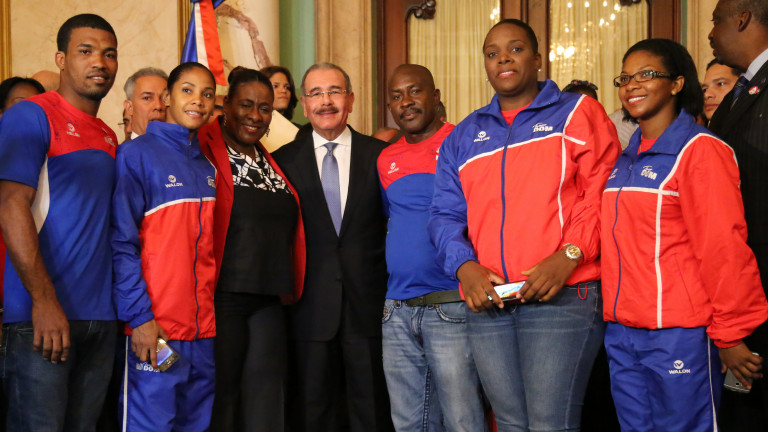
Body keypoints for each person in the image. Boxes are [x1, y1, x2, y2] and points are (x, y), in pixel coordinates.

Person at [429, 19, 620, 431]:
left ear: (537, 58)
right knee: (511, 423)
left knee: (550, 423)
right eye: (492, 53)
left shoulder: (577, 113)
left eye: (515, 49)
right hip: (491, 302)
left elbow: (602, 193)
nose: (503, 59)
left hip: (562, 296)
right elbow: (444, 215)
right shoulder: (464, 135)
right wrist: (464, 266)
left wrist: (571, 254)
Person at [603, 37, 768, 431]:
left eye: (646, 74)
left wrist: (730, 334)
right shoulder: (624, 159)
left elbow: (723, 248)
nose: (632, 85)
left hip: (679, 334)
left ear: (677, 83)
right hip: (622, 332)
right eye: (625, 78)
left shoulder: (700, 151)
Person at [0, 13, 119, 431]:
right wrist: (44, 301)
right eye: (86, 51)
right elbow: (10, 205)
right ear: (62, 59)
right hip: (41, 317)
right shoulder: (31, 116)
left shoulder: (108, 134)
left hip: (101, 319)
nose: (99, 62)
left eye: (109, 53)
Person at [272, 62, 393, 432]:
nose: (326, 101)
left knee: (372, 413)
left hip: (369, 308)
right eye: (316, 93)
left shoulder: (381, 156)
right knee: (313, 415)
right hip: (307, 311)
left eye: (335, 91)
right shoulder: (282, 161)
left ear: (351, 100)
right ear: (305, 103)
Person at [378, 64, 486, 432]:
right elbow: (393, 220)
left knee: (462, 420)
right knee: (408, 423)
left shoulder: (463, 141)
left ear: (436, 96)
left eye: (415, 91)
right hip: (396, 310)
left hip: (452, 304)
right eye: (396, 96)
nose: (405, 102)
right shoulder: (385, 159)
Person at [112, 62, 218, 432]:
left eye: (207, 94)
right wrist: (140, 317)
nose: (198, 101)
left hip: (203, 333)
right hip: (156, 329)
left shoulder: (208, 165)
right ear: (167, 97)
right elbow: (121, 243)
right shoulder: (135, 155)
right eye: (187, 90)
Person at [198, 68, 306, 432]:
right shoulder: (202, 148)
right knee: (222, 399)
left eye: (264, 108)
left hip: (269, 297)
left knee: (266, 399)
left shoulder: (268, 158)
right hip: (222, 296)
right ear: (226, 104)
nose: (255, 116)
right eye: (246, 105)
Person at [709, 0, 768, 429]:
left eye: (717, 21)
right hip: (739, 286)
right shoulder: (742, 91)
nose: (711, 33)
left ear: (743, 19)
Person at [122, 67, 168, 141]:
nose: (158, 106)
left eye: (164, 98)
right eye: (147, 98)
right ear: (129, 107)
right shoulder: (125, 148)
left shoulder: (182, 146)